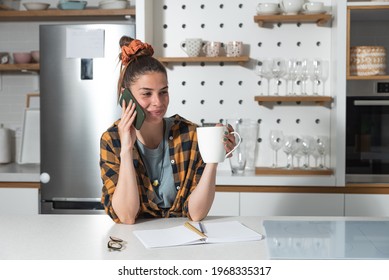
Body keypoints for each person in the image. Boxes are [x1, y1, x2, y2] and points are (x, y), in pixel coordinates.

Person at [100, 36, 237, 224]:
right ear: (127, 97)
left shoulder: (191, 134)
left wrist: (213, 157)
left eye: (163, 92)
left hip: (183, 241)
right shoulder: (112, 140)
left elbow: (196, 214)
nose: (158, 102)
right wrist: (126, 149)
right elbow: (127, 216)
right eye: (147, 93)